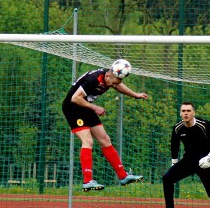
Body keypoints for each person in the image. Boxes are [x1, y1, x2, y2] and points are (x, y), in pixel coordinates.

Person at [62, 59, 147, 191]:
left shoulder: (110, 78)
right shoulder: (93, 79)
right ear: (108, 75)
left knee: (105, 139)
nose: (114, 86)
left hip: (86, 107)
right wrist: (95, 108)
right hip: (73, 108)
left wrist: (135, 95)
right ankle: (87, 181)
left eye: (117, 83)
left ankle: (123, 176)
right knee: (88, 141)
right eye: (113, 83)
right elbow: (75, 98)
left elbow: (118, 85)